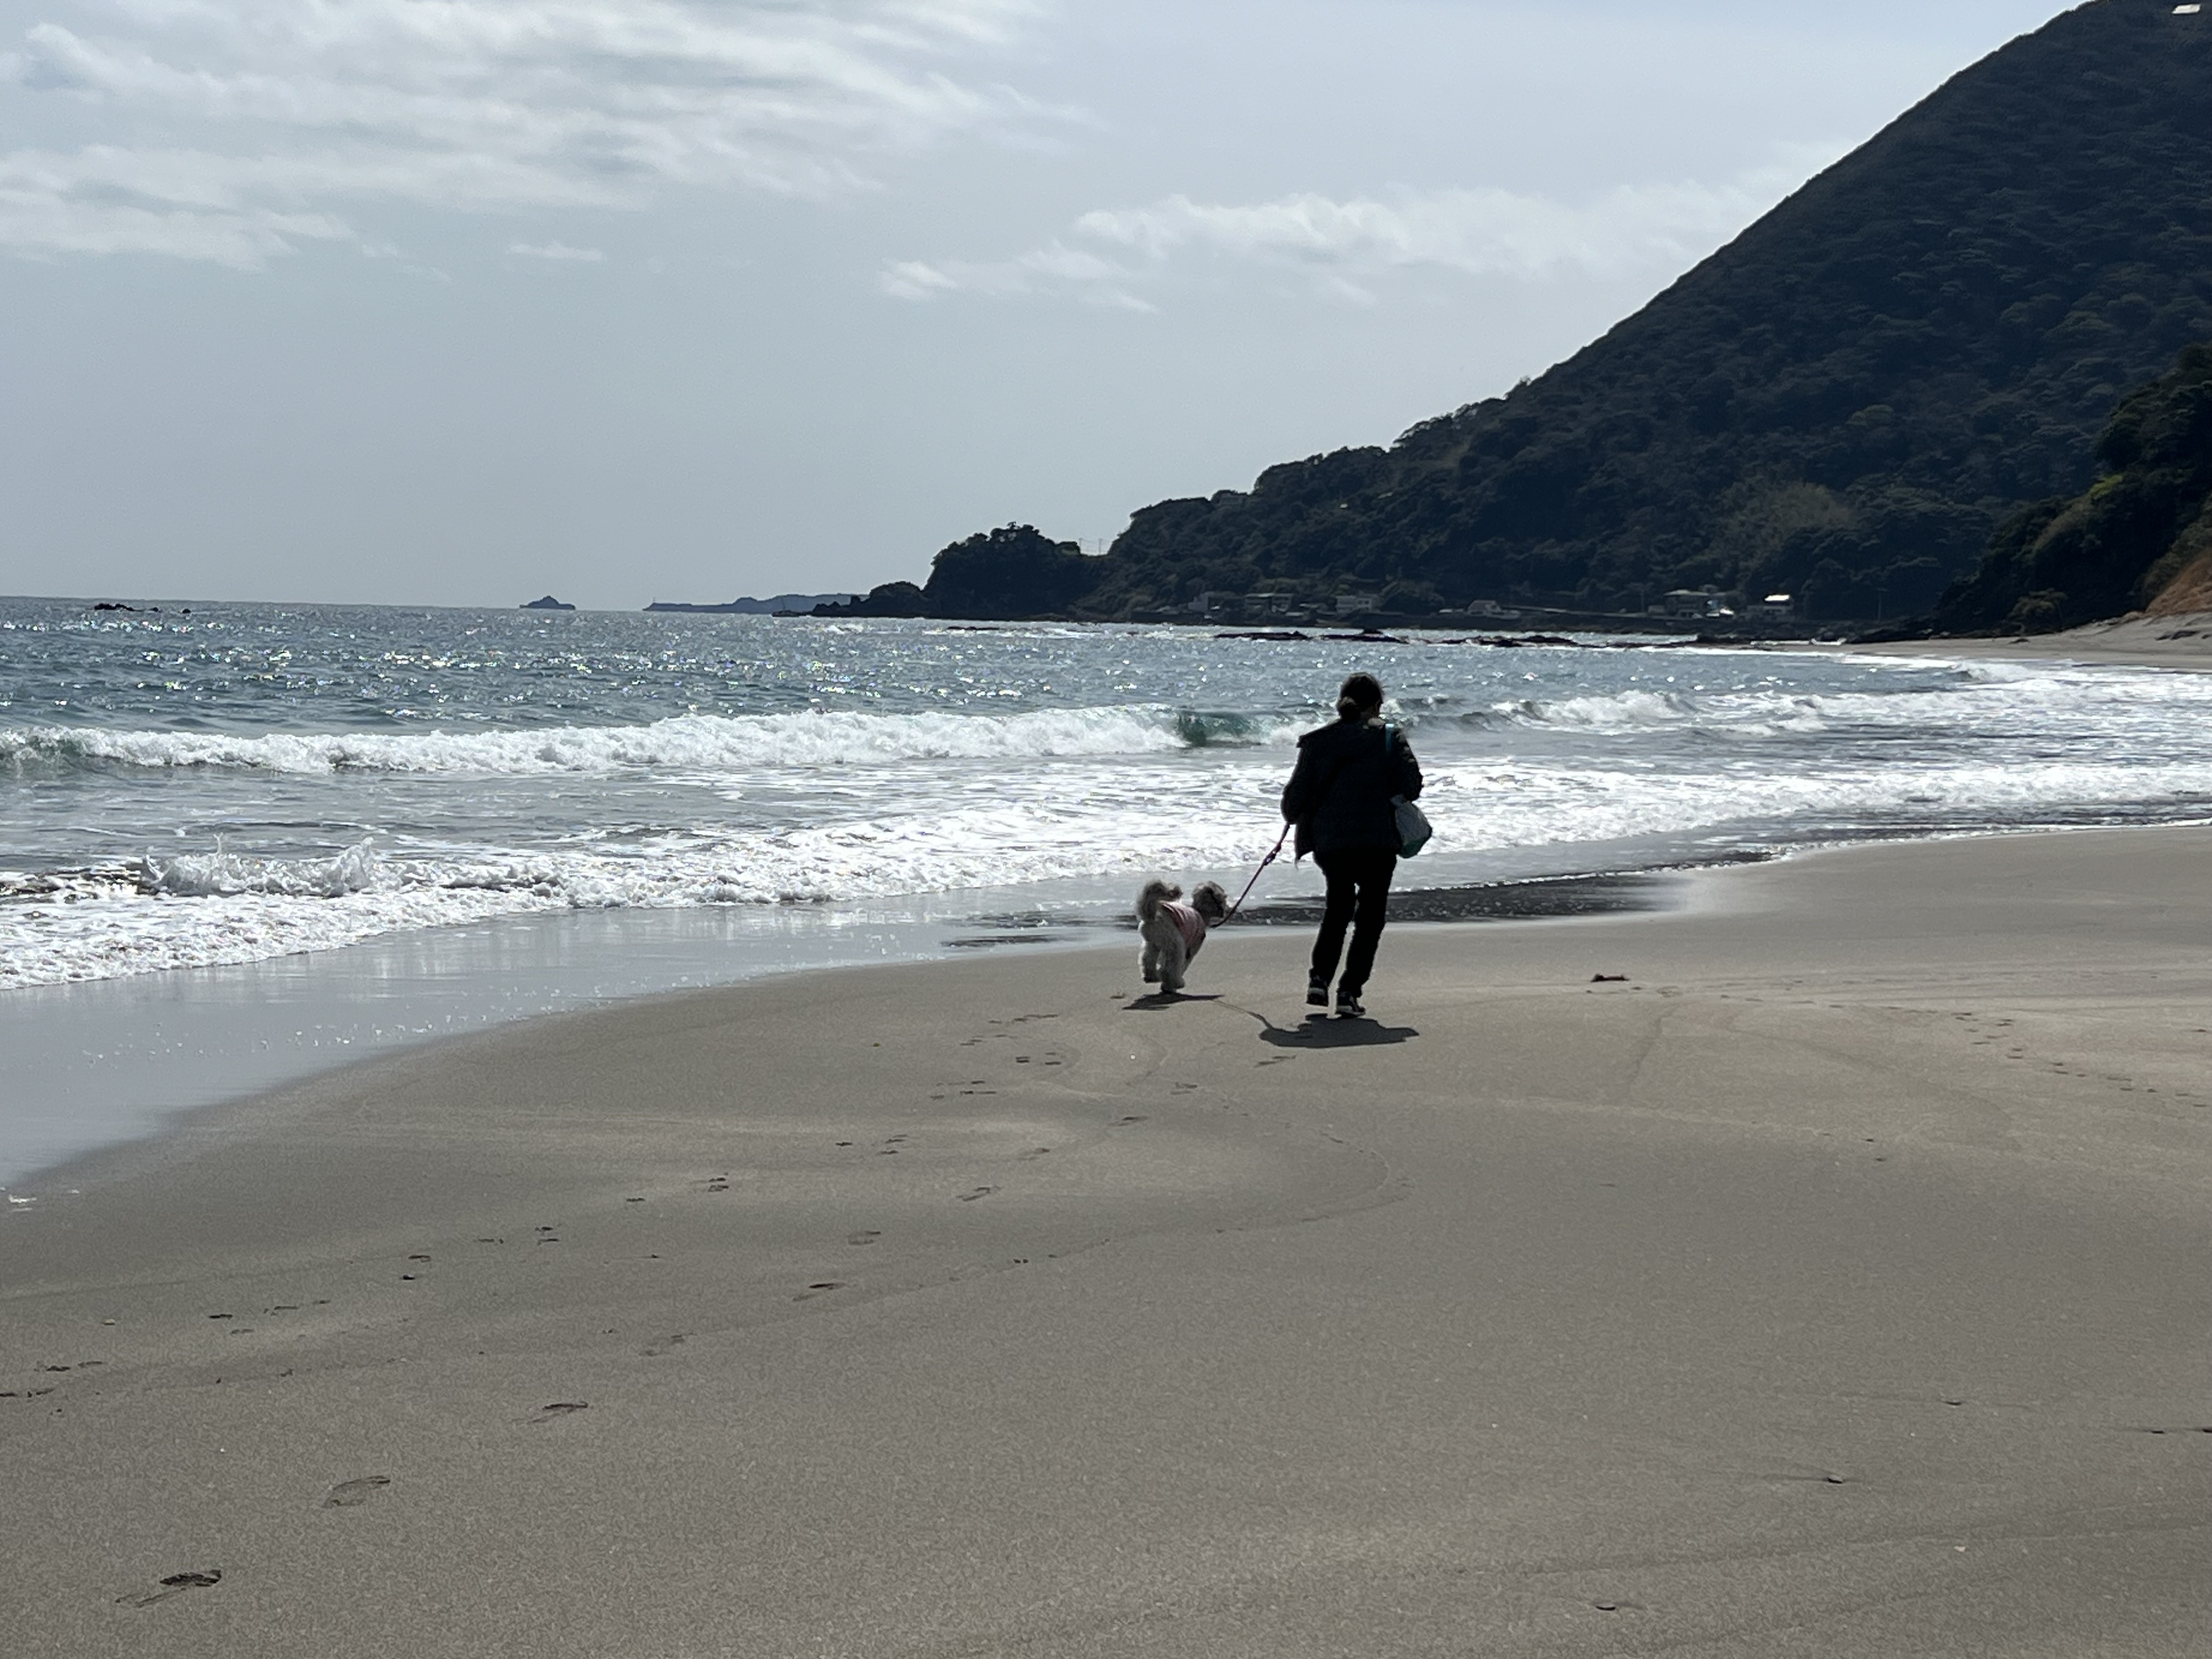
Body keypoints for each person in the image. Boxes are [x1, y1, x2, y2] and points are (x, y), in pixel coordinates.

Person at [1280, 673, 1423, 1018]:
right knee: (1370, 919)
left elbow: (1291, 803)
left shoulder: (1318, 742)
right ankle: (1349, 992)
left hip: (1331, 844)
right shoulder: (1389, 738)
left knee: (1338, 910)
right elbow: (1413, 785)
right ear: (1377, 705)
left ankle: (1319, 980)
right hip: (1378, 843)